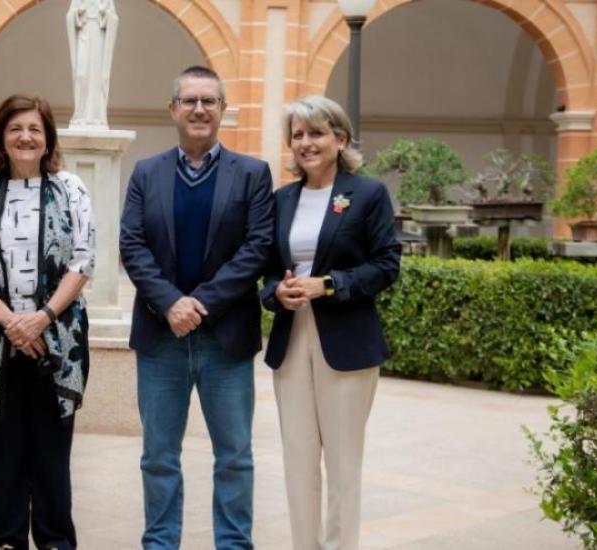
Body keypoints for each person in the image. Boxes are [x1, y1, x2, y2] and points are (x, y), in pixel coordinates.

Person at [119, 65, 275, 550]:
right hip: (160, 338)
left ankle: (233, 544)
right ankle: (160, 543)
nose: (200, 109)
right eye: (189, 100)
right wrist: (169, 304)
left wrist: (199, 304)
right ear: (173, 109)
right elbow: (132, 244)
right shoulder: (147, 172)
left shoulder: (252, 174)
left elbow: (257, 248)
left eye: (209, 101)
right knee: (159, 456)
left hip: (225, 341)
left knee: (234, 455)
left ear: (223, 110)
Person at [0, 94, 94, 550]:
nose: (25, 137)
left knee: (52, 456)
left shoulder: (71, 188)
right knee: (4, 455)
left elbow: (84, 260)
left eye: (34, 128)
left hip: (58, 340)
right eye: (15, 128)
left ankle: (55, 541)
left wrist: (42, 319)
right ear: (1, 136)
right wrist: (13, 322)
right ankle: (6, 541)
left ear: (47, 137)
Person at [259, 95, 401, 550]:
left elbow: (386, 265)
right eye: (298, 135)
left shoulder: (367, 194)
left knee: (342, 461)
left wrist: (331, 285)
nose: (306, 143)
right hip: (291, 339)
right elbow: (263, 271)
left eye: (316, 133)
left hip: (347, 342)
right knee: (299, 458)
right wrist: (275, 293)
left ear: (340, 139)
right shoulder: (281, 200)